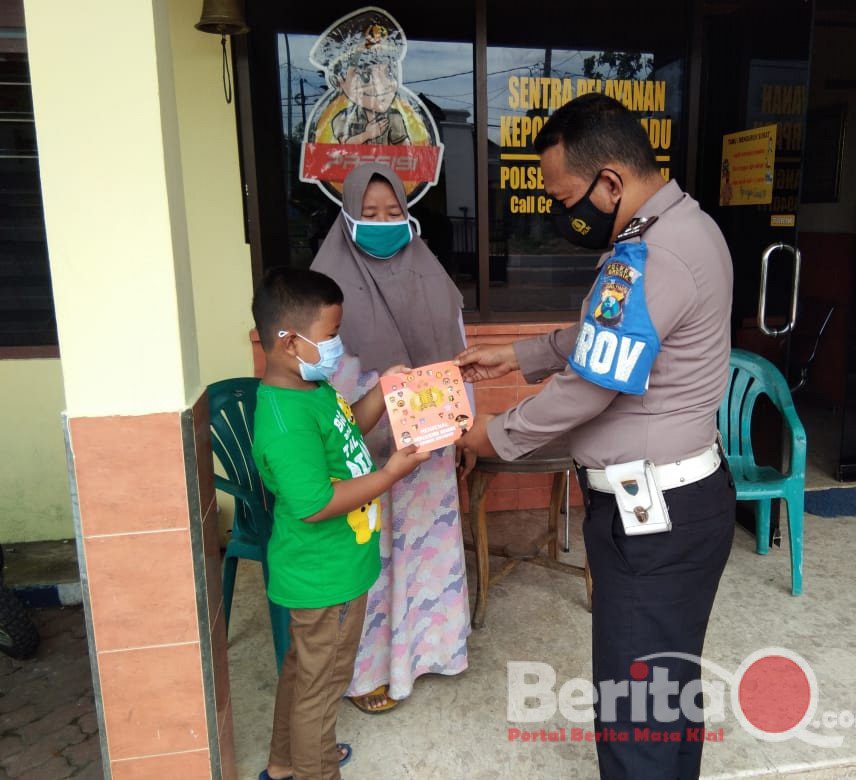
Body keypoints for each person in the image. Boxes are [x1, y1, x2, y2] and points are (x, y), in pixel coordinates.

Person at [456, 93, 736, 780]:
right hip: (676, 506)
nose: (561, 210)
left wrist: (495, 435)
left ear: (610, 181)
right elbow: (609, 336)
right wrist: (522, 355)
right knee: (661, 694)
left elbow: (593, 383)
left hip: (653, 520)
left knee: (638, 709)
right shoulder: (685, 229)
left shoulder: (650, 255)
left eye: (565, 195)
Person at [251, 267, 430, 780]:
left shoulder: (314, 391)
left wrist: (387, 391)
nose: (337, 346)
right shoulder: (284, 420)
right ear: (289, 343)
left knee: (304, 676)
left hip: (335, 568)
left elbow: (349, 424)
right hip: (322, 577)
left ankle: (285, 764)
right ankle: (317, 769)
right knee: (322, 687)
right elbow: (316, 503)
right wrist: (391, 473)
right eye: (330, 336)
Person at [311, 162, 471, 714]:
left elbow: (456, 361)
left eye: (394, 212)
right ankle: (371, 672)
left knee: (428, 551)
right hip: (364, 462)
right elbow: (322, 393)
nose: (383, 222)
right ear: (347, 218)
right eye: (369, 214)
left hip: (428, 452)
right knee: (373, 564)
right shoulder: (325, 290)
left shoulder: (432, 277)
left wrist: (459, 429)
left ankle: (430, 653)